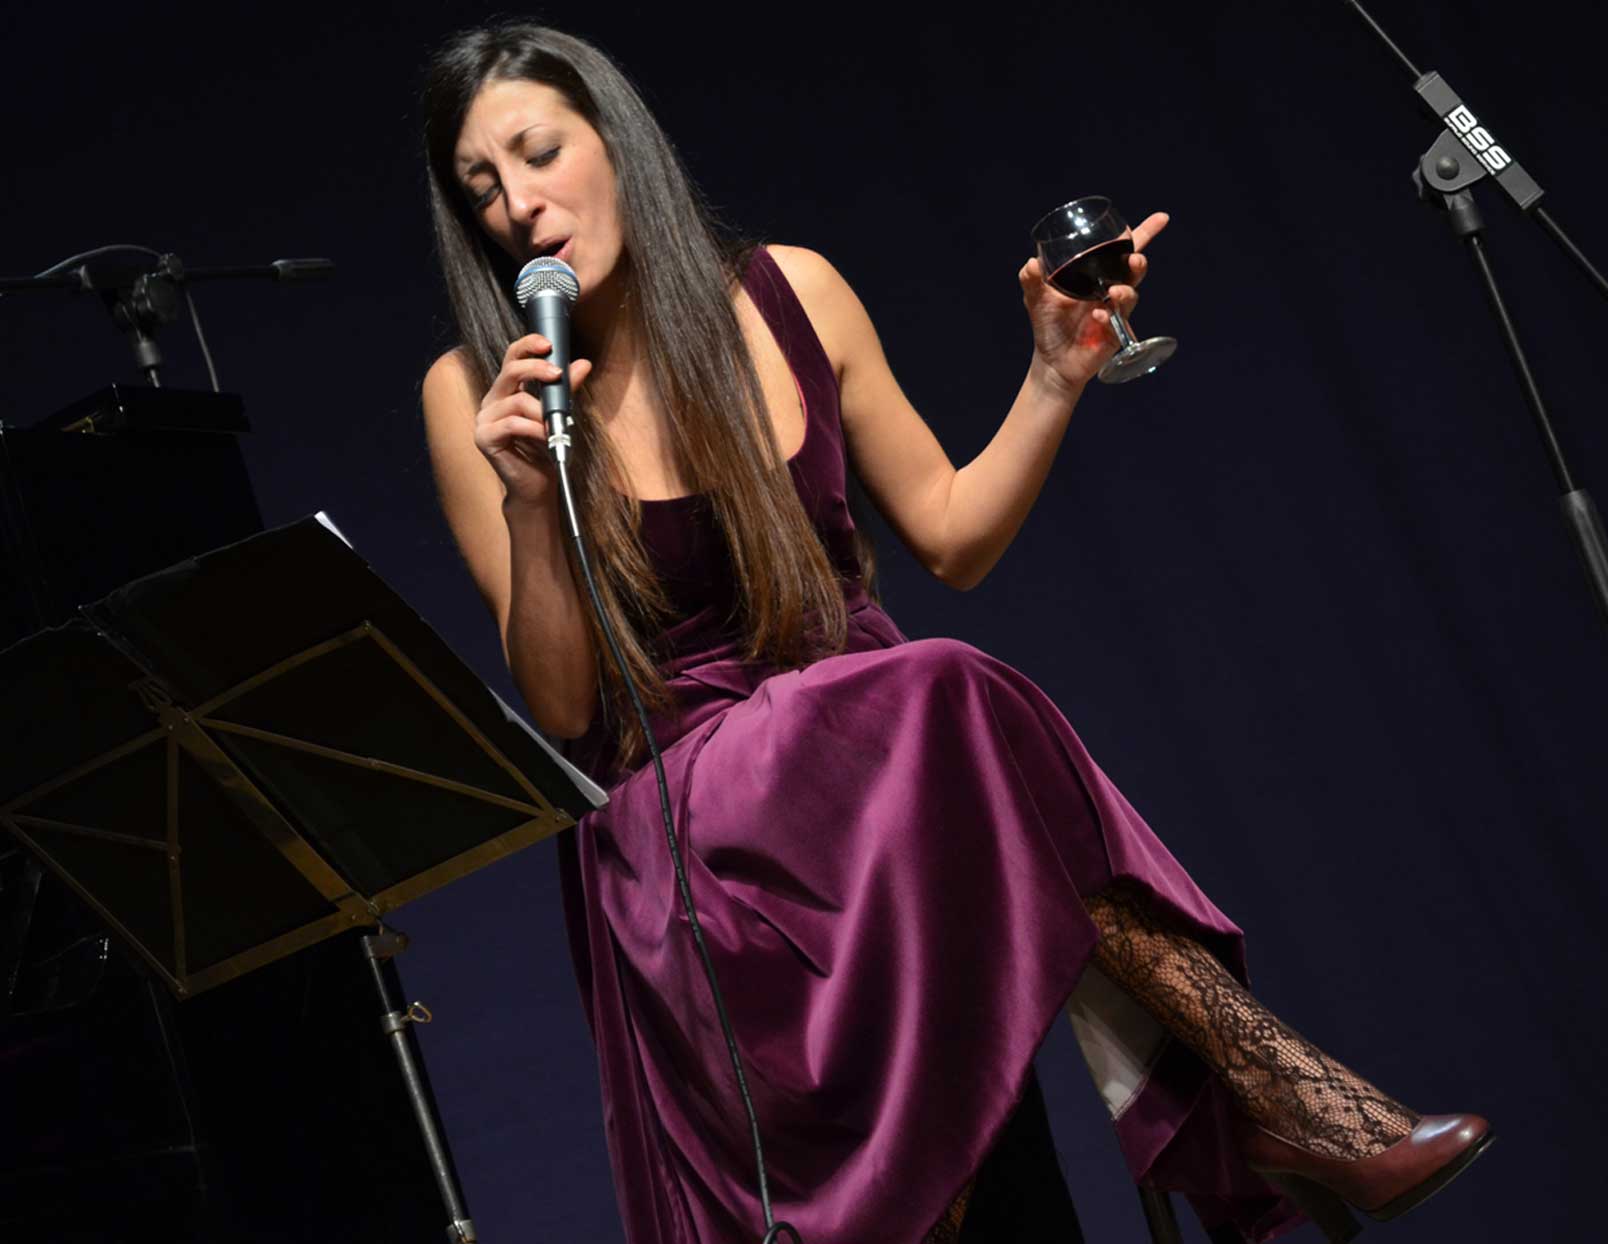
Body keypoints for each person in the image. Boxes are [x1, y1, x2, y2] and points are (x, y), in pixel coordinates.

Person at [417, 20, 1491, 1244]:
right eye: (481, 187)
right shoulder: (474, 393)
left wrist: (1053, 376)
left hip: (884, 779)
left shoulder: (791, 290)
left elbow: (949, 534)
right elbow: (563, 710)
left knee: (935, 703)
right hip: (694, 820)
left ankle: (1271, 1098)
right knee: (940, 690)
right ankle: (1276, 1096)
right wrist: (530, 498)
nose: (518, 205)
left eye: (539, 153)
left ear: (616, 142)